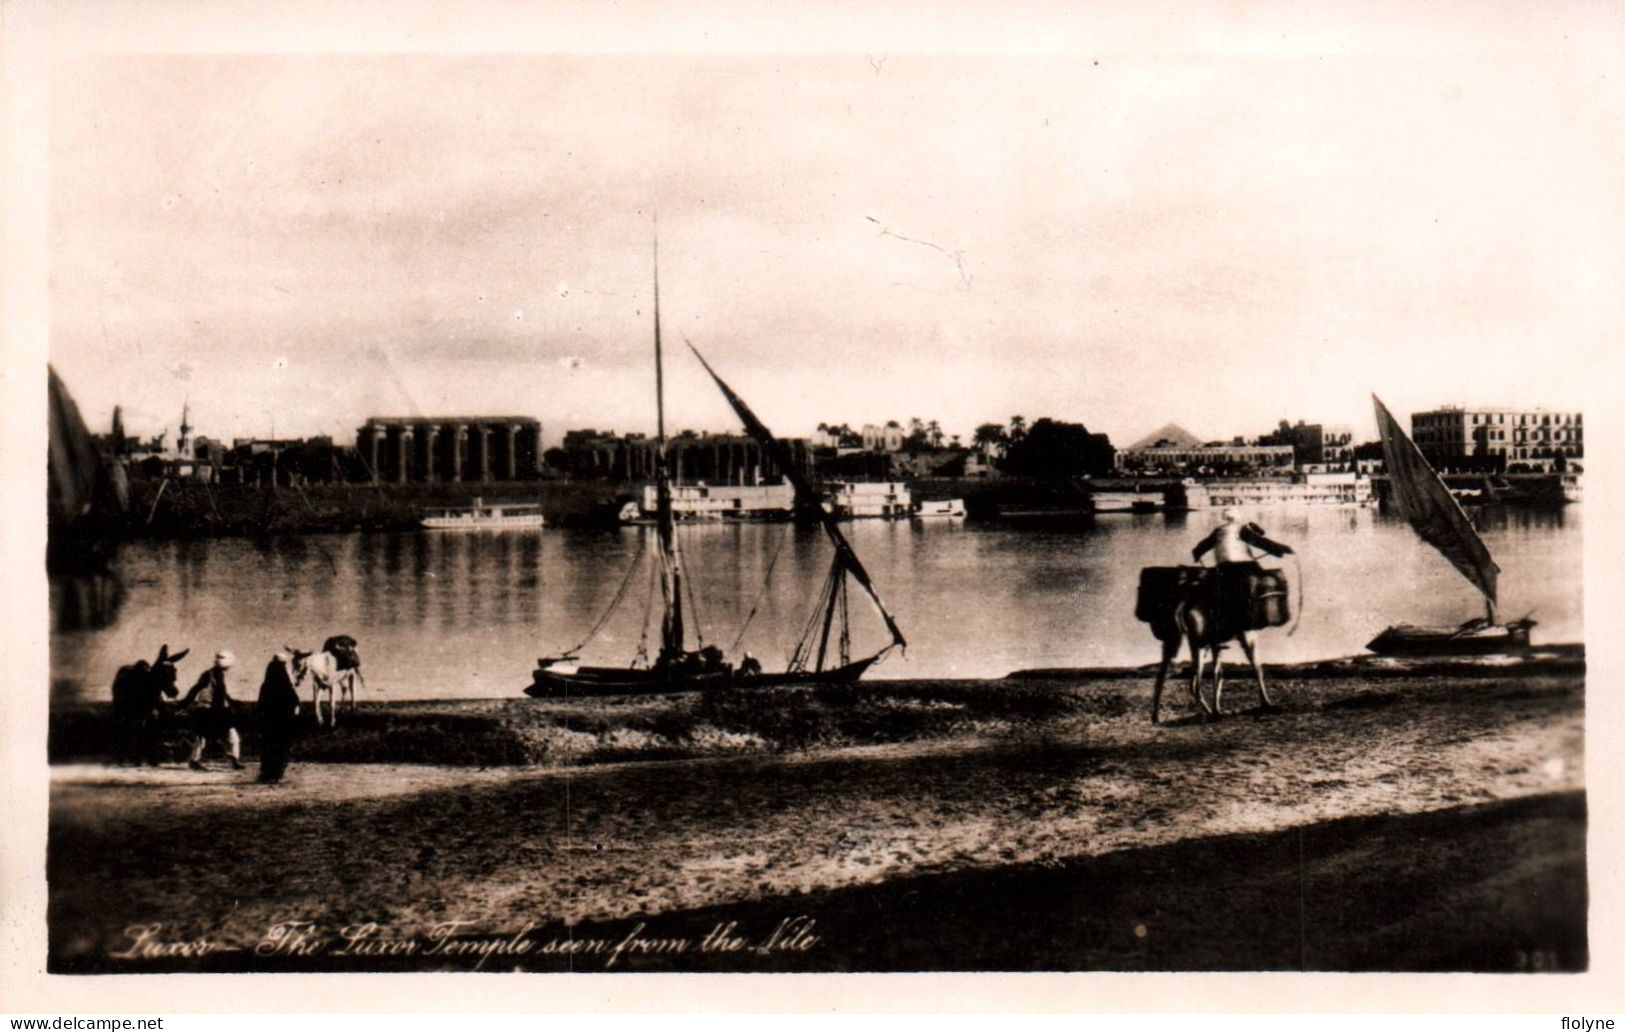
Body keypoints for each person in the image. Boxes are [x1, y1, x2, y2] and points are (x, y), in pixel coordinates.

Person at [1191, 509, 1294, 635]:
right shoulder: (1241, 530)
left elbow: (1202, 547)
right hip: (1243, 566)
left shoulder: (1218, 531)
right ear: (1238, 518)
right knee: (1264, 580)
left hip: (1223, 568)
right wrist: (1282, 550)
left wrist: (1196, 554)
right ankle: (1258, 615)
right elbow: (1261, 543)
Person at [178, 650, 243, 771]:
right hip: (209, 709)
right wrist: (184, 703)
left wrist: (231, 701)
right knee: (209, 736)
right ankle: (232, 758)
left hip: (211, 709)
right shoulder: (211, 675)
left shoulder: (213, 674)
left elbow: (220, 692)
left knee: (204, 736)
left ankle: (232, 759)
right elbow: (198, 689)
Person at [256, 650, 302, 784]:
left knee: (268, 747)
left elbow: (261, 705)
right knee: (281, 747)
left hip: (269, 722)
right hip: (283, 721)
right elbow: (294, 699)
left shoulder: (267, 682)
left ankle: (267, 774)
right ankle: (276, 775)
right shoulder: (285, 680)